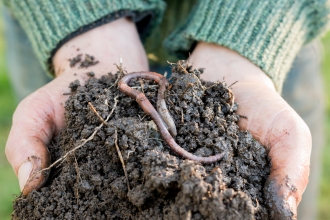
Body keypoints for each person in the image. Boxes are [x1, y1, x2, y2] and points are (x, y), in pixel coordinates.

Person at [2, 0, 329, 219]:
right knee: (71, 120)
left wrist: (248, 41)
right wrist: (87, 31)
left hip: (268, 29)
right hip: (62, 27)